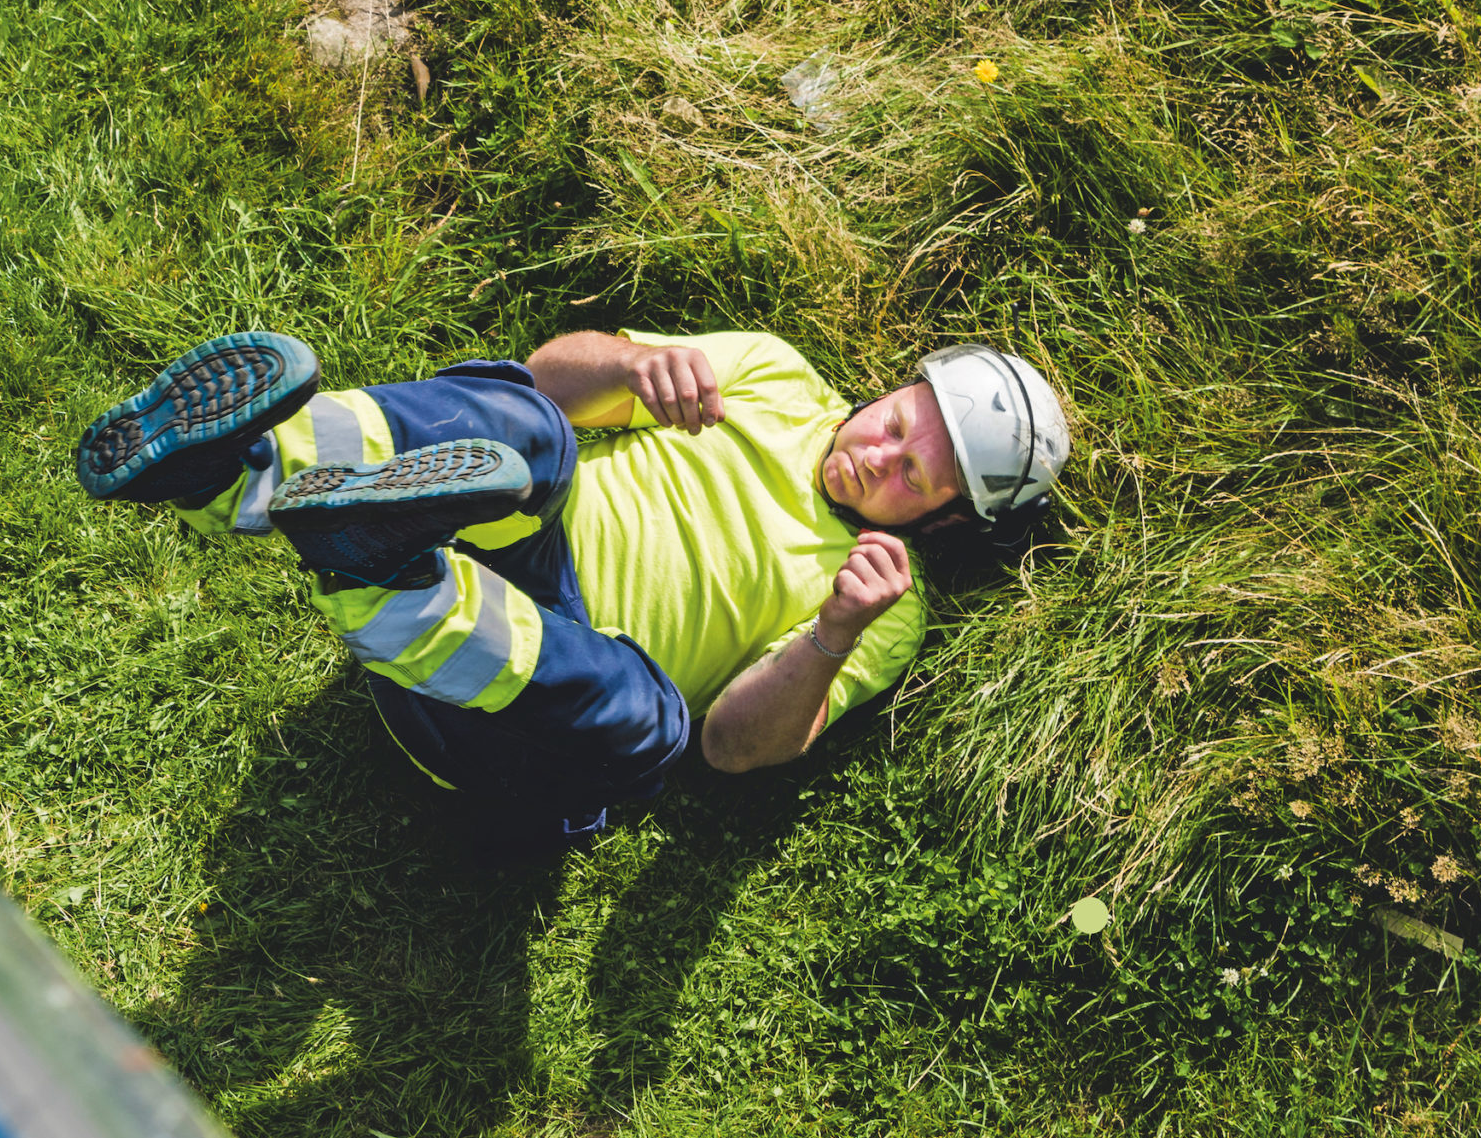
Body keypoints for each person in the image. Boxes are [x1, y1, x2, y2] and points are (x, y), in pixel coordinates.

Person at [74, 327, 1068, 857]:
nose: (878, 455)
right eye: (897, 422)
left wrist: (833, 635)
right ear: (897, 388)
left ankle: (382, 567)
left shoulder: (884, 609)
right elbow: (549, 379)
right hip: (498, 559)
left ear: (941, 521)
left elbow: (730, 749)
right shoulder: (774, 373)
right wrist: (632, 365)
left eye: (911, 476)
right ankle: (239, 474)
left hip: (518, 736)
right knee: (535, 432)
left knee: (651, 722)